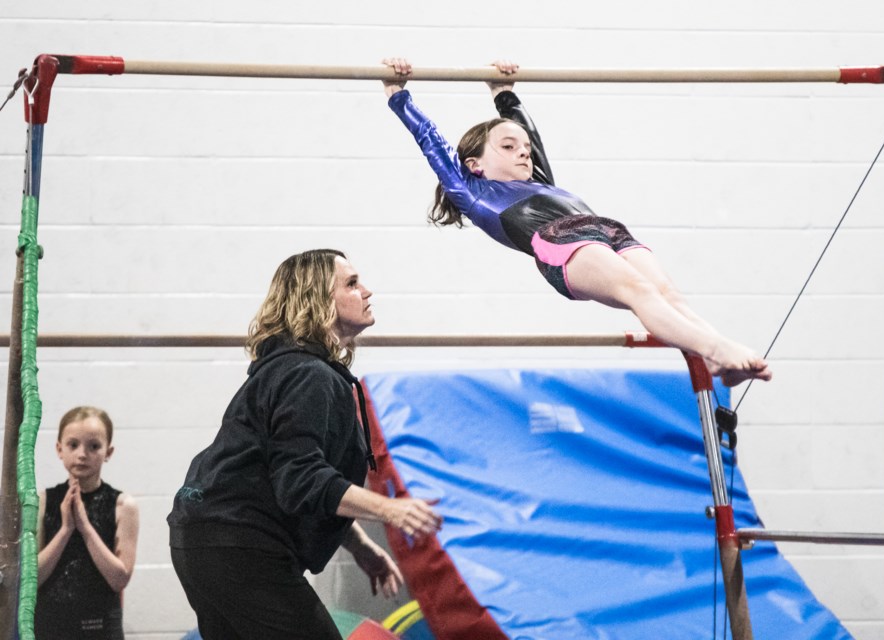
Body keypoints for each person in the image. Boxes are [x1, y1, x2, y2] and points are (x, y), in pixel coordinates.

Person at [381, 58, 773, 388]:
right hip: (559, 243)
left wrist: (503, 91)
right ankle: (717, 349)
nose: (523, 153)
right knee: (639, 291)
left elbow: (527, 130)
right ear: (474, 165)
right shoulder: (473, 192)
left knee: (669, 294)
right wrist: (398, 94)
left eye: (524, 149)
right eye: (507, 147)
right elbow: (429, 140)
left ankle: (715, 357)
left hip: (606, 230)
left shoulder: (539, 181)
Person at [167, 249, 443, 640]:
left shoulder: (296, 369)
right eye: (351, 284)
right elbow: (300, 478)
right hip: (238, 544)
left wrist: (360, 545)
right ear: (317, 301)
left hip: (205, 539)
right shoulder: (307, 375)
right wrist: (391, 510)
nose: (366, 291)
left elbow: (287, 477)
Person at [36, 406, 140, 640]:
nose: (82, 454)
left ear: (108, 451)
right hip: (49, 625)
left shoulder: (123, 505)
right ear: (59, 449)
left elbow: (119, 579)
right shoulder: (42, 501)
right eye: (73, 445)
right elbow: (32, 578)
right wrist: (65, 530)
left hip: (100, 627)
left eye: (94, 446)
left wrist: (84, 526)